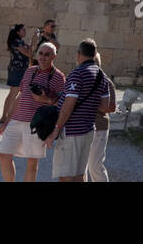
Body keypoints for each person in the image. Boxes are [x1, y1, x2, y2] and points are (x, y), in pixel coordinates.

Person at [0, 42, 65, 182]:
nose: (43, 57)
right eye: (41, 53)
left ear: (54, 56)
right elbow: (20, 97)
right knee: (3, 155)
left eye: (47, 54)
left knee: (32, 162)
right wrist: (6, 122)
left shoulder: (58, 77)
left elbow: (62, 103)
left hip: (37, 124)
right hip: (16, 119)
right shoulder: (29, 71)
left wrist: (44, 99)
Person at [45, 39, 111, 182]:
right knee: (79, 175)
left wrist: (56, 129)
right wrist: (90, 102)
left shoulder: (77, 74)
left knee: (66, 176)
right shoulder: (102, 76)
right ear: (94, 55)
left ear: (78, 54)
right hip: (88, 129)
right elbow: (105, 107)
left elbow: (67, 106)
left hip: (71, 130)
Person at [86, 51, 117, 182]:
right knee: (81, 167)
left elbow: (111, 107)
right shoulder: (84, 79)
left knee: (95, 167)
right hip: (83, 127)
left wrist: (91, 103)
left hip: (99, 127)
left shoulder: (106, 82)